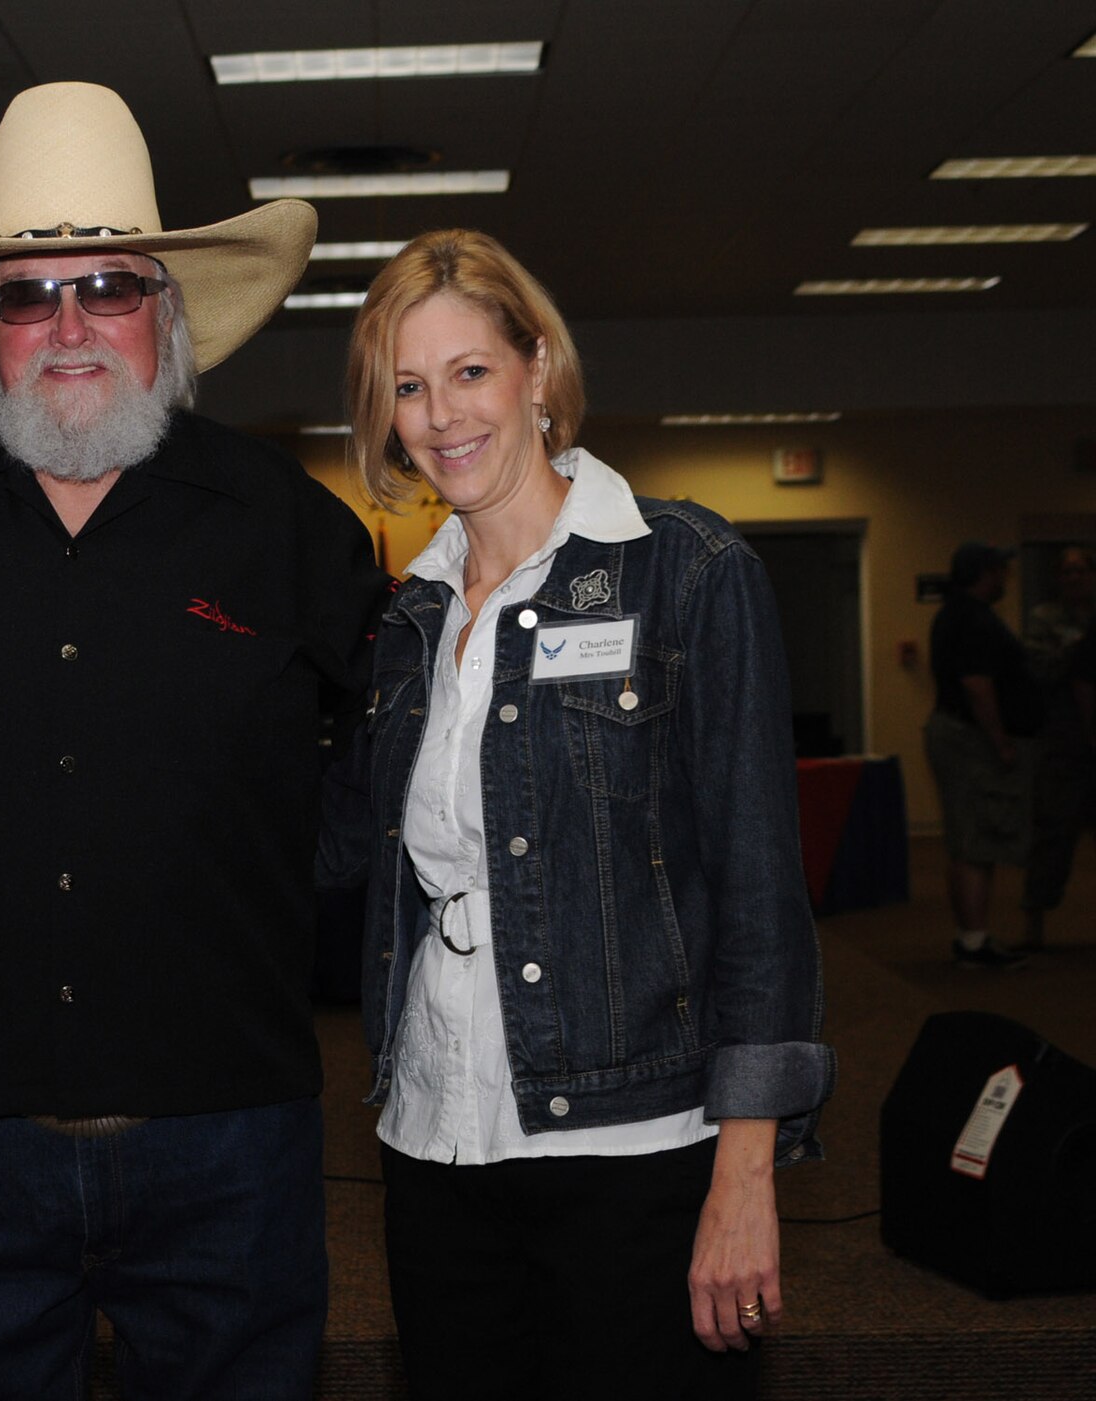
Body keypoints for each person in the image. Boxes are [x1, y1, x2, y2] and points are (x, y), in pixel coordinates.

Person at [0, 83, 389, 1398]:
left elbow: (395, 761)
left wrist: (281, 866)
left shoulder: (290, 531)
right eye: (26, 295)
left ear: (168, 316)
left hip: (232, 1135)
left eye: (109, 285)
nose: (68, 327)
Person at [318, 228, 834, 1399]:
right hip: (433, 1137)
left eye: (468, 371)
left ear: (537, 369)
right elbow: (338, 845)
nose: (440, 414)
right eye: (406, 386)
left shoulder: (681, 572)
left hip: (632, 1148)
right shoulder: (408, 621)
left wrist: (745, 1178)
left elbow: (758, 891)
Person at [926, 540, 1043, 967]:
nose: (1005, 580)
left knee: (967, 838)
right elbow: (978, 687)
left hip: (964, 735)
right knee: (976, 839)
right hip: (972, 740)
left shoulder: (958, 614)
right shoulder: (971, 619)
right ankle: (973, 941)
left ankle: (972, 935)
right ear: (985, 573)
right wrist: (1002, 742)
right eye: (1000, 571)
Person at [1020, 545, 1095, 947]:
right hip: (1063, 737)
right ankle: (1035, 919)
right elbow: (1039, 668)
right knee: (1053, 829)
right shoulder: (1045, 619)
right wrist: (1082, 649)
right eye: (1067, 572)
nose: (1074, 578)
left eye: (1081, 570)